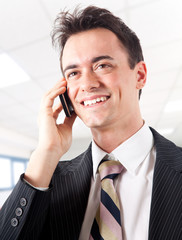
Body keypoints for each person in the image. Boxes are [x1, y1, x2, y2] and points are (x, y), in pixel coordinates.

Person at [0, 5, 182, 240]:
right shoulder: (48, 183)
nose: (87, 84)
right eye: (74, 73)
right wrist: (45, 153)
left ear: (140, 75)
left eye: (102, 65)